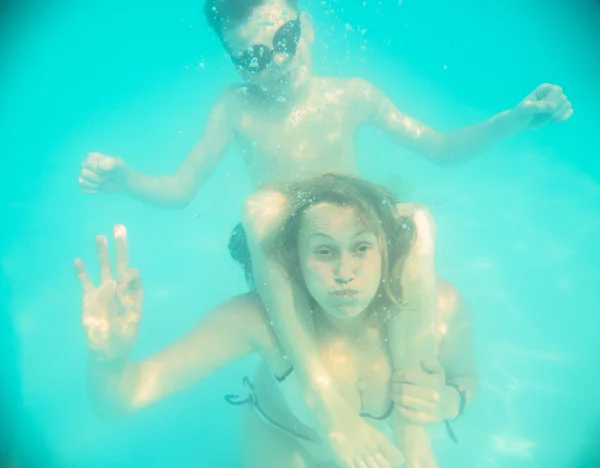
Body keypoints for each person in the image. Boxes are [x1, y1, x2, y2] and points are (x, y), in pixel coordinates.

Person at [77, 0, 568, 464]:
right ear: (236, 64)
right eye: (253, 57)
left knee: (417, 220)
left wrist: (514, 120)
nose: (278, 61)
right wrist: (128, 181)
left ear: (306, 24)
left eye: (286, 37)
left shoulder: (351, 95)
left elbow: (440, 147)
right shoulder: (237, 108)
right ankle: (315, 386)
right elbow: (181, 188)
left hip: (339, 240)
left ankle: (412, 427)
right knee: (263, 208)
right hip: (286, 264)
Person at [75, 174, 478, 468]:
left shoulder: (438, 305)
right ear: (295, 260)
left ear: (386, 250)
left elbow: (466, 379)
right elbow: (120, 399)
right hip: (287, 442)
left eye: (360, 248)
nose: (344, 271)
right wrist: (109, 359)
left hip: (380, 452)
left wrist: (447, 401)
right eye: (324, 251)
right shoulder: (256, 319)